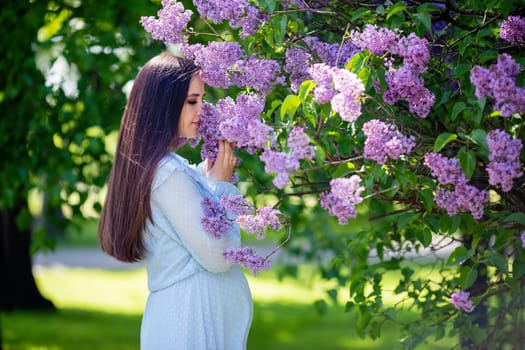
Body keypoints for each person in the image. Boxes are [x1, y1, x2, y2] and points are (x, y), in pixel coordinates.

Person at [97, 52, 252, 349]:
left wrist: (209, 183)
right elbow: (220, 256)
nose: (202, 110)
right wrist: (220, 187)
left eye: (202, 99)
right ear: (164, 104)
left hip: (188, 321)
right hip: (189, 326)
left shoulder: (168, 168)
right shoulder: (166, 173)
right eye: (192, 101)